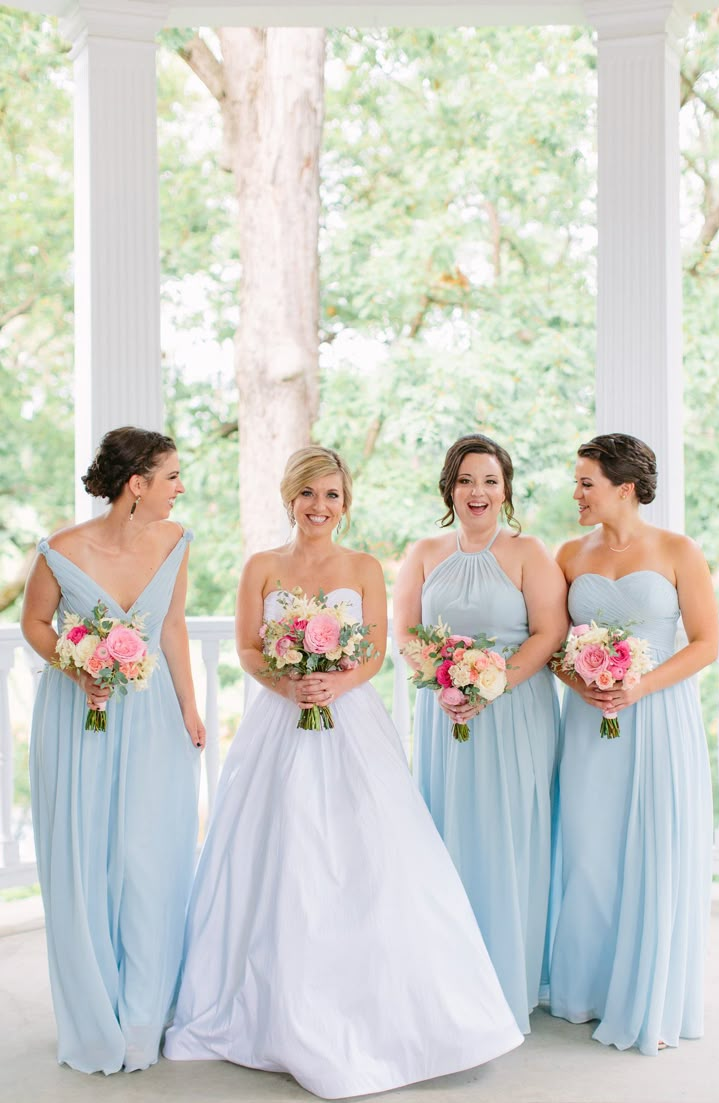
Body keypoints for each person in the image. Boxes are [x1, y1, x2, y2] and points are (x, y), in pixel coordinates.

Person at [164, 445, 522, 1099]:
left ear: (345, 502)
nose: (319, 507)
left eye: (331, 495)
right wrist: (286, 680)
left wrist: (334, 683)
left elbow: (379, 645)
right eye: (308, 495)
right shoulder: (262, 567)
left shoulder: (361, 567)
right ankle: (274, 1007)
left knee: (374, 857)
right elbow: (247, 645)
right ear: (289, 498)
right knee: (278, 855)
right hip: (279, 719)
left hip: (351, 721)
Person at [21, 426, 204, 1075]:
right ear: (137, 484)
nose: (181, 486)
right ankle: (95, 1015)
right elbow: (34, 623)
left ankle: (143, 1018)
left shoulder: (177, 542)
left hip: (152, 716)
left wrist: (189, 708)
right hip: (80, 716)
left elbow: (174, 625)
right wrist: (76, 665)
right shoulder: (62, 549)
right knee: (85, 861)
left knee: (149, 861)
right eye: (173, 475)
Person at [546, 432, 718, 1055]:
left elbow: (704, 642)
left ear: (624, 488)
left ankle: (647, 993)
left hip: (658, 716)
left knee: (654, 848)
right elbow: (552, 646)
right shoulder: (567, 555)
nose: (577, 494)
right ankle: (588, 987)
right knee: (589, 852)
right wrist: (581, 680)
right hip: (590, 719)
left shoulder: (677, 550)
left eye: (586, 482)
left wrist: (638, 685)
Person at [393, 434, 568, 1034]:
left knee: (510, 836)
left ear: (506, 489)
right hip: (445, 713)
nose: (478, 492)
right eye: (467, 480)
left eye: (490, 481)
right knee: (449, 834)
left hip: (514, 712)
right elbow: (408, 634)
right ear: (450, 487)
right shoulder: (423, 552)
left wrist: (491, 684)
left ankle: (507, 982)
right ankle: (451, 981)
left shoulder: (528, 552)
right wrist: (447, 681)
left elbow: (548, 633)